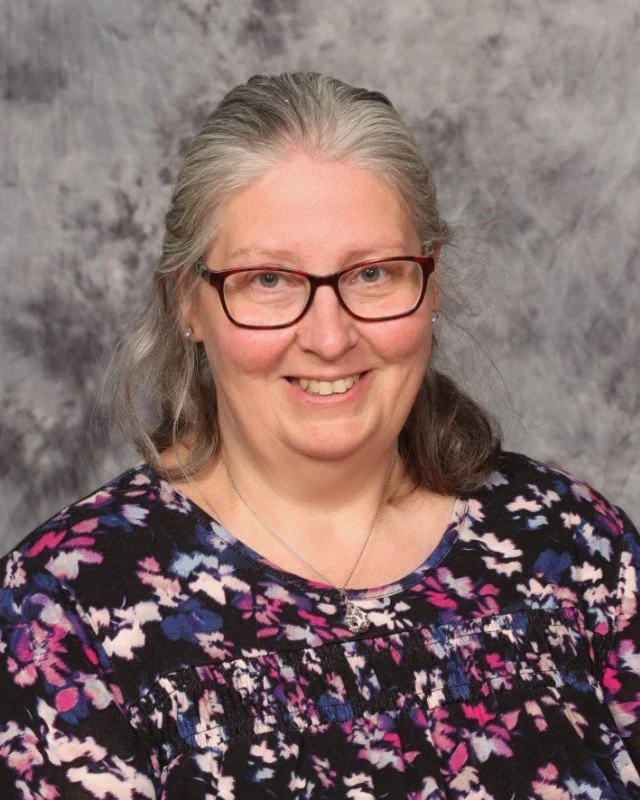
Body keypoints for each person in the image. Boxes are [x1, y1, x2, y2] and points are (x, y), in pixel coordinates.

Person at [1, 72, 639, 799]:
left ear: (430, 285)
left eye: (372, 273)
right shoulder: (64, 606)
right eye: (269, 280)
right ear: (189, 304)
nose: (330, 337)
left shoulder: (575, 545)